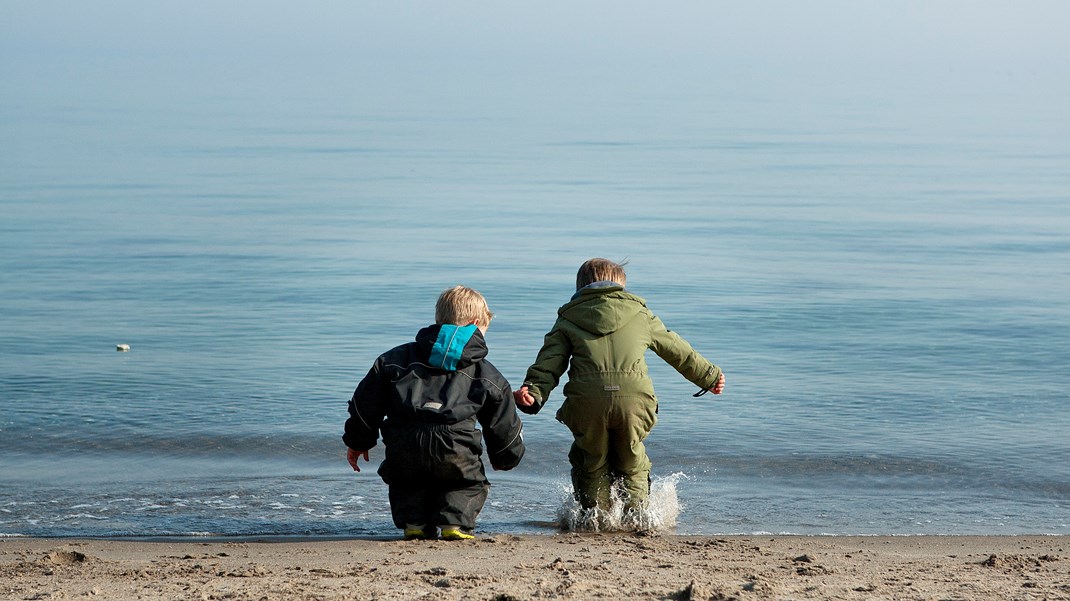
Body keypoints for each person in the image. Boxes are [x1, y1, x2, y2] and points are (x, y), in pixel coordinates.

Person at [513, 258, 724, 514]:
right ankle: (638, 517)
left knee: (590, 461)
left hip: (588, 403)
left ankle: (593, 517)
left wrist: (533, 392)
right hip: (633, 401)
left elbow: (549, 362)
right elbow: (676, 349)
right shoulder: (640, 314)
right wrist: (709, 376)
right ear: (620, 286)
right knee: (632, 460)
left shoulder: (568, 318)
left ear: (581, 287)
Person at [344, 285, 525, 541]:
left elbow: (365, 405)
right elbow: (503, 423)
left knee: (406, 481)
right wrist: (505, 456)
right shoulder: (486, 373)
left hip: (404, 446)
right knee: (466, 483)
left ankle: (414, 522)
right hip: (456, 448)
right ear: (475, 325)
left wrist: (358, 441)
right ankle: (455, 523)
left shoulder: (394, 360)